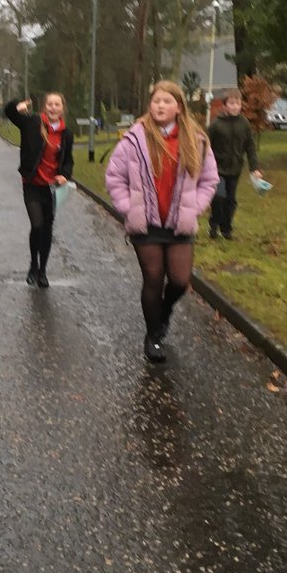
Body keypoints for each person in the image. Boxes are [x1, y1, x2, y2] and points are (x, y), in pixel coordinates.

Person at [105, 80, 218, 364]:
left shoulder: (196, 140)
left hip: (180, 223)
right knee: (153, 279)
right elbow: (114, 178)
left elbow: (209, 179)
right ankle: (153, 335)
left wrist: (195, 208)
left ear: (178, 107)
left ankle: (164, 313)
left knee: (179, 280)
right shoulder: (134, 139)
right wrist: (129, 208)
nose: (160, 106)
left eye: (166, 101)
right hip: (146, 225)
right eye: (156, 101)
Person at [4, 93, 74, 288]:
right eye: (50, 104)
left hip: (51, 189)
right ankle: (33, 265)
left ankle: (42, 270)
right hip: (32, 184)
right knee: (37, 225)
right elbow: (9, 112)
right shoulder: (32, 123)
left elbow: (68, 161)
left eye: (57, 104)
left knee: (47, 229)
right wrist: (17, 104)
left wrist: (65, 175)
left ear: (62, 108)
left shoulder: (66, 133)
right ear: (44, 106)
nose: (53, 107)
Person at [207, 88, 263, 240]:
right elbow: (206, 146)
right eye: (231, 103)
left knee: (230, 200)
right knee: (219, 196)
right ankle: (214, 223)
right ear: (225, 105)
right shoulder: (216, 125)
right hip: (217, 169)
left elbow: (250, 147)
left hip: (235, 169)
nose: (234, 106)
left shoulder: (244, 124)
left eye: (237, 103)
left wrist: (254, 168)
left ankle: (226, 229)